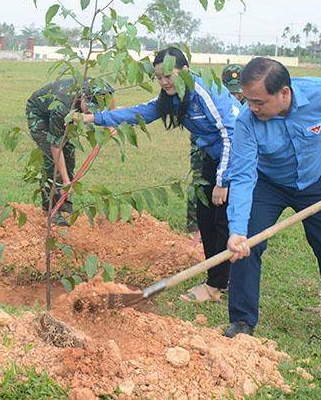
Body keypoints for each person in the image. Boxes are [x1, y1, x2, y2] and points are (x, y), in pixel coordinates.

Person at [220, 57, 321, 342]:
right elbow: (242, 176)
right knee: (247, 246)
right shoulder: (246, 120)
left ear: (284, 93)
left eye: (259, 102)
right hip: (268, 185)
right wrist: (237, 230)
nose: (251, 107)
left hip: (316, 182)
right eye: (248, 100)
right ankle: (242, 321)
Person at [84, 47, 240, 303]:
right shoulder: (171, 97)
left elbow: (230, 134)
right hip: (214, 156)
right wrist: (94, 118)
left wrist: (223, 181)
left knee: (223, 219)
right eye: (159, 77)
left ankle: (216, 286)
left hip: (238, 156)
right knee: (205, 216)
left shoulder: (203, 91)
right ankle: (217, 276)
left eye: (169, 75)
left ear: (186, 71)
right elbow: (139, 113)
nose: (164, 81)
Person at [25, 78, 115, 226]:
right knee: (51, 162)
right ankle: (51, 211)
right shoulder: (62, 107)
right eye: (90, 108)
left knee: (69, 156)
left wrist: (111, 121)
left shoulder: (101, 87)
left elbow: (112, 98)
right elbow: (56, 147)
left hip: (68, 111)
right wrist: (66, 181)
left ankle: (64, 205)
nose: (90, 112)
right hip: (39, 112)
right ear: (83, 97)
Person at [186, 63, 246, 235]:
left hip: (237, 158)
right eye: (231, 91)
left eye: (239, 92)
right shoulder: (215, 99)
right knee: (200, 184)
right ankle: (193, 226)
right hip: (210, 151)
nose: (236, 95)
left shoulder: (249, 104)